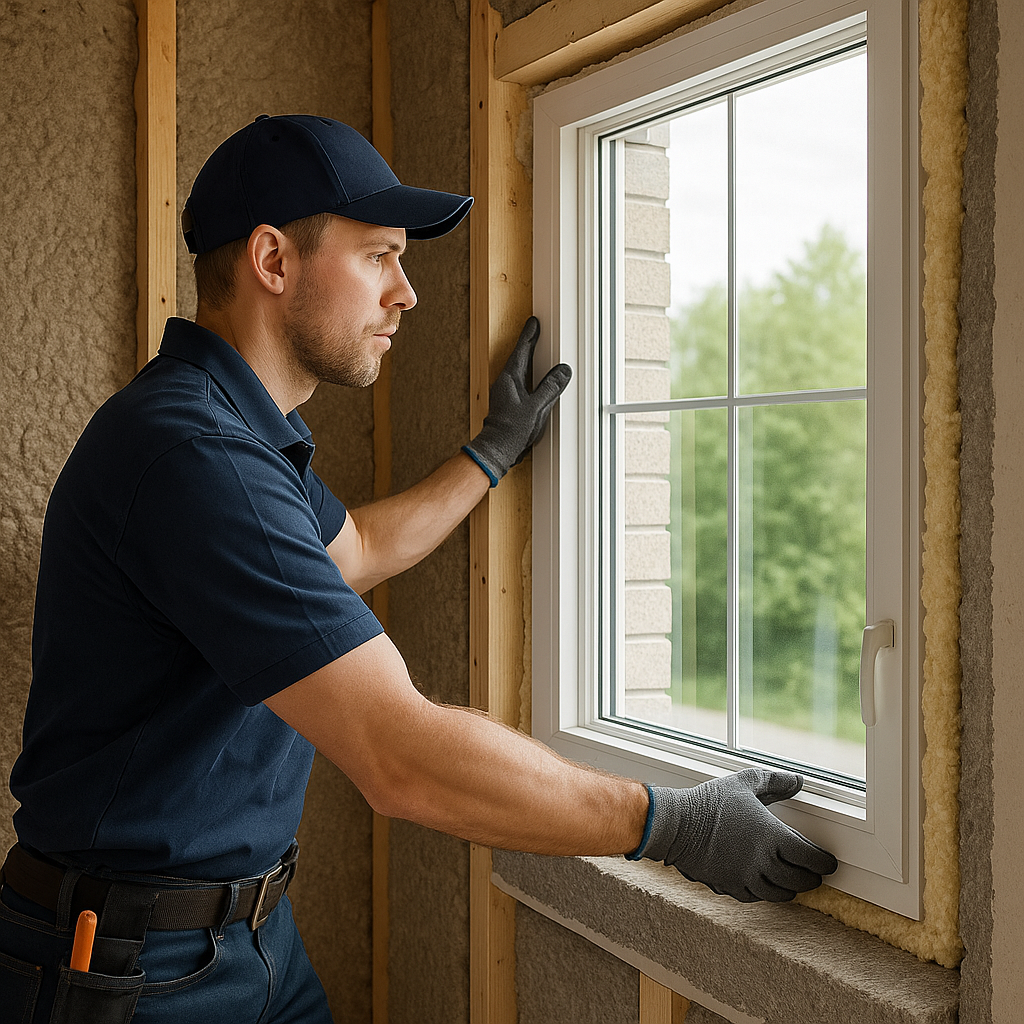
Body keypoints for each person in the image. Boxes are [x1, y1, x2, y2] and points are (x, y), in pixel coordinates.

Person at [0, 114, 837, 1023]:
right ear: (274, 262)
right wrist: (675, 823)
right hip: (129, 973)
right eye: (378, 257)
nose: (407, 294)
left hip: (248, 937)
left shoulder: (231, 429)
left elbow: (352, 550)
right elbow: (400, 759)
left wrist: (489, 454)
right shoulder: (196, 458)